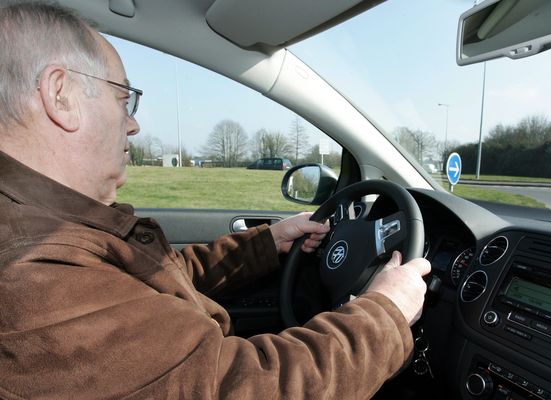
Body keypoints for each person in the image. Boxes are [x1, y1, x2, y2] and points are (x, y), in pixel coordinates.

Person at [0, 2, 431, 399]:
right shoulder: (33, 275)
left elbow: (158, 279)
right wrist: (385, 313)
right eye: (123, 98)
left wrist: (267, 242)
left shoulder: (55, 227)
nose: (132, 124)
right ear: (60, 95)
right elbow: (245, 386)